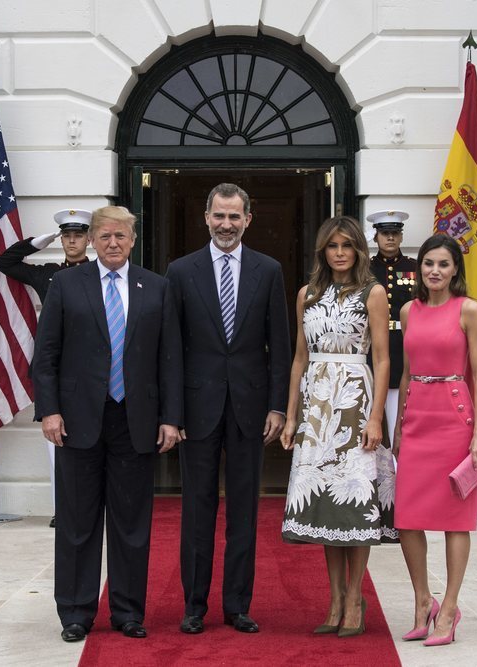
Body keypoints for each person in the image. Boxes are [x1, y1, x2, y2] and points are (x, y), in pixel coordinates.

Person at [32, 206, 183, 643]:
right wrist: (50, 410)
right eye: (105, 237)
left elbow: (170, 359)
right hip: (77, 420)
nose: (113, 243)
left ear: (133, 241)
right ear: (93, 242)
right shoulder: (65, 285)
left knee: (131, 524)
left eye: (120, 236)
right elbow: (47, 356)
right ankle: (76, 613)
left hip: (135, 421)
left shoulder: (156, 287)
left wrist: (171, 418)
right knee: (78, 522)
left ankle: (127, 612)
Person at [165, 183, 291, 635]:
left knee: (244, 510)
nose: (226, 224)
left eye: (235, 216)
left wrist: (278, 406)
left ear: (248, 219)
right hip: (197, 409)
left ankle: (237, 605)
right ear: (206, 217)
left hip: (250, 408)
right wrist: (172, 413)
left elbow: (281, 345)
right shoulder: (180, 271)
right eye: (220, 215)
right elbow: (172, 349)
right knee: (197, 510)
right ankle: (194, 606)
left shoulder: (268, 269)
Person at [279, 215, 398, 638]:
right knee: (328, 505)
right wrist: (292, 415)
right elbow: (299, 358)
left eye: (348, 245)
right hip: (315, 409)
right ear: (323, 251)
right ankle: (333, 598)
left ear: (359, 250)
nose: (341, 252)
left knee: (355, 501)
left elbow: (382, 359)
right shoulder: (306, 295)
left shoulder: (374, 292)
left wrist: (376, 416)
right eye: (333, 245)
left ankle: (354, 597)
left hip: (355, 403)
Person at [393, 233, 477, 647]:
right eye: (428, 263)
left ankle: (449, 608)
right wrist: (397, 424)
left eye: (443, 264)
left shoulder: (469, 310)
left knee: (454, 520)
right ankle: (422, 602)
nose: (435, 270)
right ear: (420, 269)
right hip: (417, 417)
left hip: (455, 418)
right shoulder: (409, 311)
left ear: (455, 271)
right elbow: (405, 370)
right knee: (407, 518)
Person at [0, 208, 92, 528]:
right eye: (67, 236)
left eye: (78, 235)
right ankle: (62, 509)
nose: (72, 241)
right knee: (56, 444)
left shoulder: (100, 274)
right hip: (55, 371)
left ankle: (92, 506)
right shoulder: (49, 274)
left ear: (89, 239)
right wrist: (39, 242)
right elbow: (4, 263)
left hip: (91, 370)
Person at [366, 210, 418, 442]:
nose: (390, 238)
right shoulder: (364, 269)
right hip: (371, 351)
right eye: (385, 233)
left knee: (401, 424)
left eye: (395, 233)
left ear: (401, 237)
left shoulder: (415, 268)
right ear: (376, 236)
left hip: (403, 348)